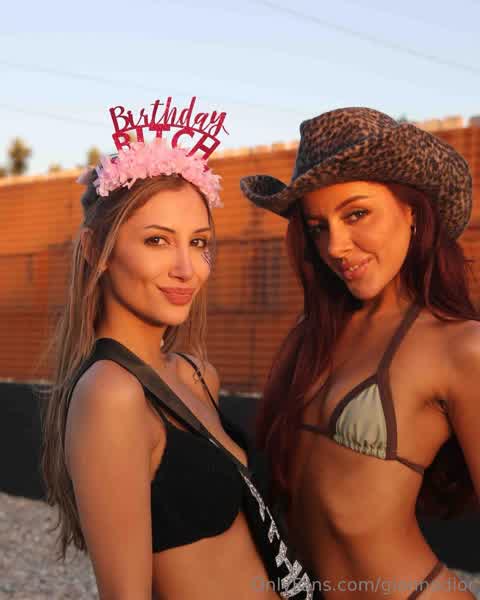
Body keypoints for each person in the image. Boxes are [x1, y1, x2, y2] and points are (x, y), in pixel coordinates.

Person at [41, 119, 319, 599]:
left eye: (198, 242)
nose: (187, 269)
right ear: (96, 250)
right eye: (157, 240)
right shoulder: (111, 393)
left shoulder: (196, 373)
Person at [240, 107, 480, 599]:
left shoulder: (460, 347)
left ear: (412, 211)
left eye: (356, 214)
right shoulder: (312, 336)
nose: (336, 246)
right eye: (318, 226)